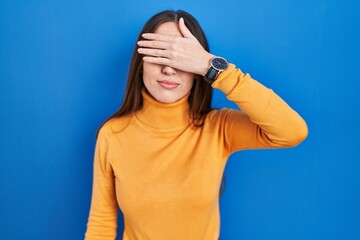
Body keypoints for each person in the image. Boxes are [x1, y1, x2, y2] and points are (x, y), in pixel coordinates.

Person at [84, 9, 308, 240]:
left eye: (181, 58)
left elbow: (293, 131)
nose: (169, 68)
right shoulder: (113, 134)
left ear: (195, 70)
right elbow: (101, 223)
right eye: (160, 54)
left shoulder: (219, 128)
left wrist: (213, 67)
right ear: (141, 63)